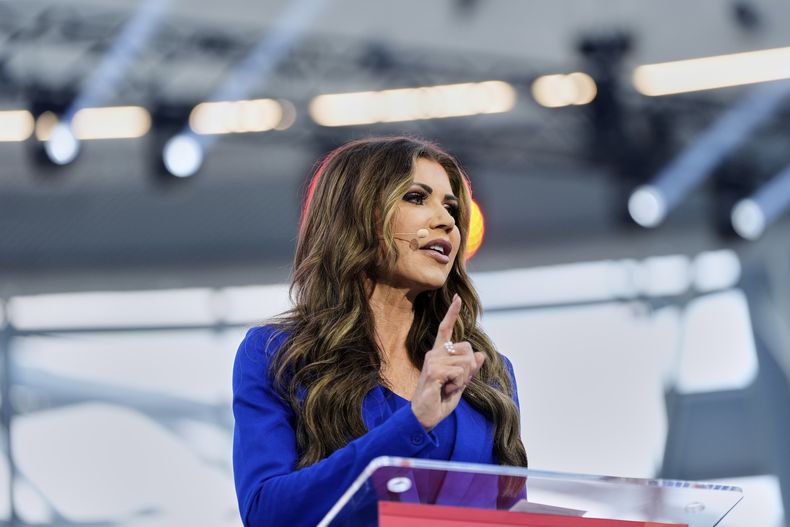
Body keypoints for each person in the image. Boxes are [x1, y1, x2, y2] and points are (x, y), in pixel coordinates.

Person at [232, 136, 528, 526]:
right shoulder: (279, 353)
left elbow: (513, 512)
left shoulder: (487, 375)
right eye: (417, 197)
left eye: (451, 206)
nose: (447, 221)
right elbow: (267, 513)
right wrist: (413, 423)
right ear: (358, 215)